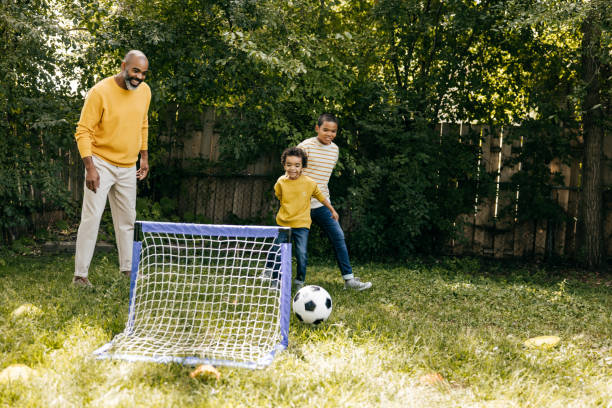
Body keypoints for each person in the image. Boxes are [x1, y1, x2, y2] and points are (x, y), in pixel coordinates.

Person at [72, 50, 151, 287]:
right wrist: (90, 167)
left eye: (143, 73)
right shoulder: (100, 92)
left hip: (128, 166)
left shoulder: (144, 92)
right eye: (135, 71)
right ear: (123, 65)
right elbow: (83, 131)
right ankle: (80, 275)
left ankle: (128, 270)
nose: (139, 77)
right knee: (92, 218)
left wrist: (144, 157)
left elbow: (143, 123)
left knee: (127, 220)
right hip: (101, 163)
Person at [298, 113, 372, 291]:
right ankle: (278, 276)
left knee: (338, 236)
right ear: (317, 128)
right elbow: (293, 172)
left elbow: (323, 179)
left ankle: (349, 281)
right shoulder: (305, 146)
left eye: (333, 131)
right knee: (294, 242)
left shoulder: (335, 150)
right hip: (301, 205)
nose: (329, 134)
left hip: (323, 204)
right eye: (325, 130)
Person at [270, 147, 339, 290]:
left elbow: (321, 197)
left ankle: (299, 281)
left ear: (302, 167)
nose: (293, 168)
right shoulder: (281, 182)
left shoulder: (309, 183)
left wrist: (332, 210)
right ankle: (276, 280)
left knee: (302, 254)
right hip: (283, 224)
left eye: (297, 165)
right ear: (284, 165)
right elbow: (280, 196)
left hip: (301, 226)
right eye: (289, 165)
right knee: (278, 252)